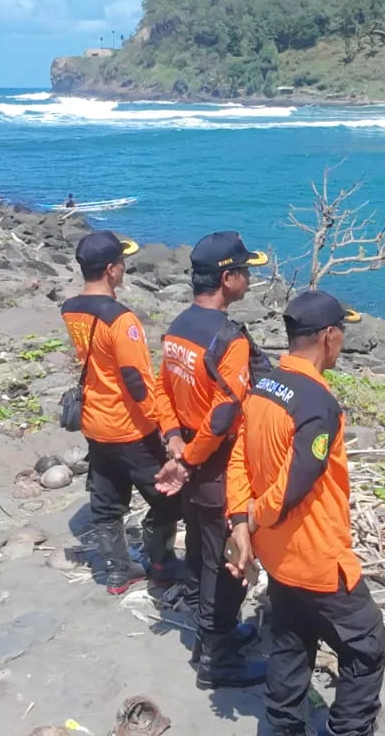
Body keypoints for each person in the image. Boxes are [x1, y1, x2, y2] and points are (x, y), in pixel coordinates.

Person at [226, 291, 385, 736]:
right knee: (369, 647)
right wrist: (253, 519)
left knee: (292, 640)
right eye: (343, 334)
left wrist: (240, 523)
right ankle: (349, 730)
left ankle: (282, 727)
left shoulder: (264, 387)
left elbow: (239, 457)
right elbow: (292, 488)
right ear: (330, 337)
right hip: (319, 559)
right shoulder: (318, 405)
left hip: (278, 557)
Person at [152, 231, 273, 688]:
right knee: (227, 564)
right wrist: (191, 458)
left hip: (191, 458)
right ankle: (217, 662)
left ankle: (210, 637)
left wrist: (173, 440)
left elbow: (163, 386)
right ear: (228, 278)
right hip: (218, 468)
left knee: (203, 553)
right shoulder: (229, 339)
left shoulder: (178, 326)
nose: (248, 278)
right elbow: (224, 415)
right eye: (245, 271)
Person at [60, 230, 185, 595]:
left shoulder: (70, 309)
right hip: (129, 425)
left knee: (107, 498)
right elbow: (137, 381)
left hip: (95, 421)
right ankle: (160, 561)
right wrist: (166, 427)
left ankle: (117, 570)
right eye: (123, 262)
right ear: (112, 270)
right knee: (169, 497)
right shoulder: (121, 319)